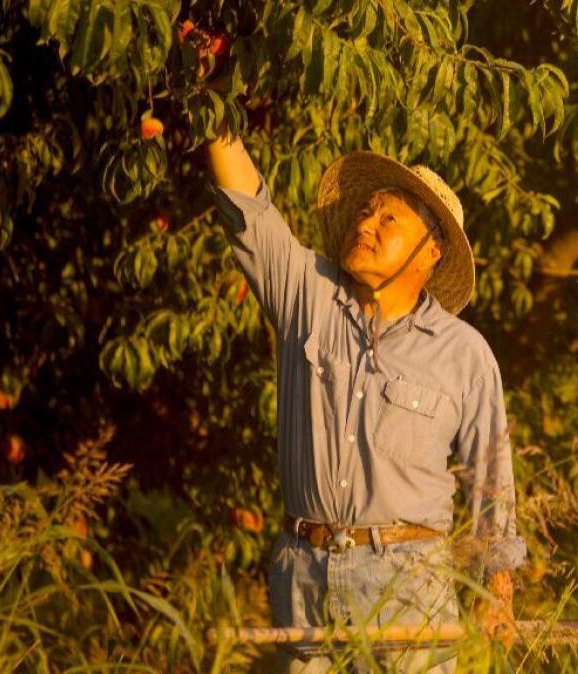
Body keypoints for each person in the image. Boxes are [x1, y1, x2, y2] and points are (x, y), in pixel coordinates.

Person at [205, 133, 527, 673]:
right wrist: (211, 106)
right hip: (304, 572)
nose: (364, 224)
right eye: (364, 211)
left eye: (388, 219)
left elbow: (492, 482)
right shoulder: (307, 296)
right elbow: (248, 211)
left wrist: (497, 588)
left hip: (407, 580)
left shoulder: (463, 354)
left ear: (431, 251)